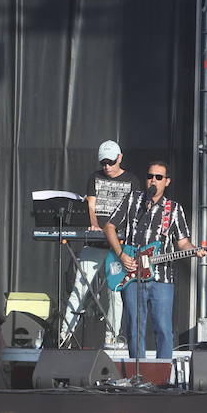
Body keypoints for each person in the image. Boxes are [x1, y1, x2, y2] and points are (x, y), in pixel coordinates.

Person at [104, 160, 194, 362]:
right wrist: (121, 255)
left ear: (167, 182)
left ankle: (163, 374)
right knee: (135, 328)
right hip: (131, 275)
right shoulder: (132, 200)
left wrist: (195, 250)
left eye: (158, 177)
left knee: (163, 328)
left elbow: (183, 243)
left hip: (161, 278)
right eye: (150, 176)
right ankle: (138, 375)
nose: (153, 180)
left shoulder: (174, 210)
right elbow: (109, 227)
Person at [63, 140, 142, 347]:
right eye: (103, 162)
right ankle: (65, 333)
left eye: (110, 162)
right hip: (95, 243)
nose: (106, 166)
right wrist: (94, 225)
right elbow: (91, 204)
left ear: (120, 158)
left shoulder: (133, 181)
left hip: (119, 245)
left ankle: (112, 336)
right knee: (81, 286)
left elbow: (134, 211)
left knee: (114, 291)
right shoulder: (94, 177)